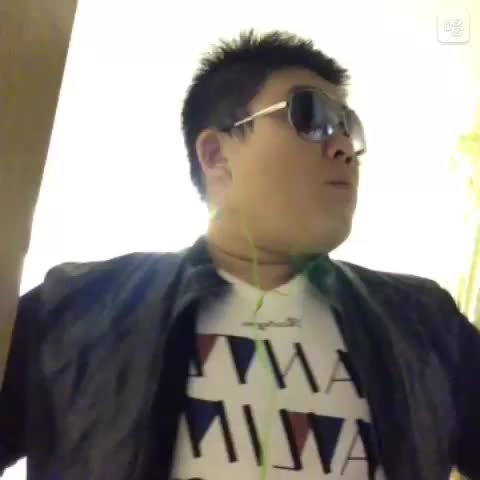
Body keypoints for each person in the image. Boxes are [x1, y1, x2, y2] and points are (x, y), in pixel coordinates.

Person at [0, 29, 479, 480]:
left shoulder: (425, 323)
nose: (343, 148)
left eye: (347, 128)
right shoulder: (74, 309)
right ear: (215, 154)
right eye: (311, 117)